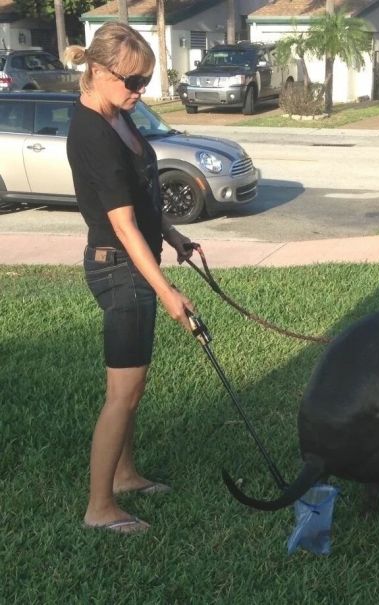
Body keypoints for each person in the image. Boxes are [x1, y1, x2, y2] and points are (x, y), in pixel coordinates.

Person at [64, 22, 195, 534]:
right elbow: (120, 221)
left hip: (133, 262)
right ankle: (100, 508)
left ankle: (124, 475)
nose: (139, 93)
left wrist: (173, 233)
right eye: (132, 82)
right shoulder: (93, 131)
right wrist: (167, 293)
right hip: (119, 269)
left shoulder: (118, 115)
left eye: (145, 83)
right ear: (98, 71)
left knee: (130, 388)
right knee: (123, 393)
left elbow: (141, 196)